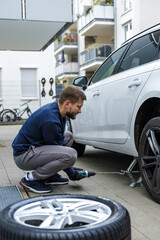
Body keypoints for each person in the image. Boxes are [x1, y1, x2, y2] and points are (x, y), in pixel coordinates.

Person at [12, 86, 87, 194]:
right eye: (78, 107)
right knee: (71, 155)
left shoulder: (59, 111)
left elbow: (59, 142)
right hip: (24, 156)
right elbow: (60, 150)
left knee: (68, 136)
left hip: (34, 149)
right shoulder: (50, 120)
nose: (80, 111)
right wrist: (71, 172)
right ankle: (31, 179)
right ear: (67, 104)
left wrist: (71, 169)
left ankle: (49, 175)